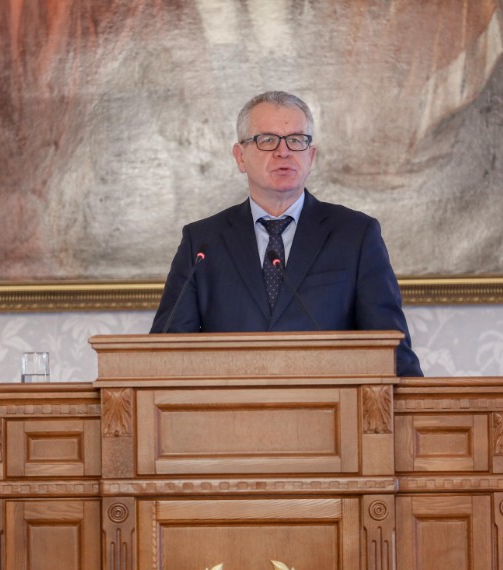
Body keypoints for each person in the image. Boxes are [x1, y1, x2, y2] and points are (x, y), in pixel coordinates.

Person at [151, 91, 423, 377]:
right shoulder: (202, 242)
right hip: (229, 415)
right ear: (240, 156)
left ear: (311, 155)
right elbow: (165, 354)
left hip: (332, 413)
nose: (284, 152)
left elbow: (391, 352)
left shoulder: (356, 235)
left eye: (296, 140)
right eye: (267, 140)